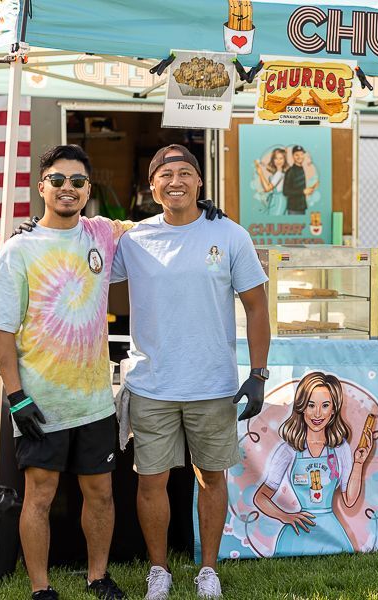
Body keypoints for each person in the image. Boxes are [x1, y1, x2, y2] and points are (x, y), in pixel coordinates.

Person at [110, 144, 270, 599]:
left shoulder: (230, 234)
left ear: (200, 182)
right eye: (165, 174)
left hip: (212, 383)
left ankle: (207, 571)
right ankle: (158, 571)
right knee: (151, 480)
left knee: (212, 476)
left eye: (185, 172)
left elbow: (257, 307)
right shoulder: (134, 239)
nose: (175, 180)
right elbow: (89, 263)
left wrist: (258, 374)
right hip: (151, 384)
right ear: (152, 185)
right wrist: (37, 234)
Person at [0, 145, 127, 600]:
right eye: (58, 180)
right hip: (40, 400)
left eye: (78, 182)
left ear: (87, 190)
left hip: (95, 398)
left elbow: (158, 230)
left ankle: (97, 576)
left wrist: (198, 212)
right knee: (39, 495)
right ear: (42, 186)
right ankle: (41, 588)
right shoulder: (17, 250)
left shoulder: (101, 233)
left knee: (100, 492)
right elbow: (1, 327)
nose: (68, 189)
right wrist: (16, 396)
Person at [253, 371, 373, 556]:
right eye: (311, 405)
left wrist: (359, 462)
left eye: (325, 405)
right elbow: (260, 497)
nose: (317, 413)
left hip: (331, 531)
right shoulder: (289, 449)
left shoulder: (340, 448)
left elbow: (349, 500)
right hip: (297, 535)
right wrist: (285, 516)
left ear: (333, 409)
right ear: (302, 408)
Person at [281, 145, 318, 215]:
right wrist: (303, 191)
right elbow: (285, 192)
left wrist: (311, 188)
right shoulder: (290, 171)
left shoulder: (303, 169)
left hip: (302, 207)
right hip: (293, 209)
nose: (299, 157)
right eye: (296, 155)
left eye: (301, 154)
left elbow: (300, 187)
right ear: (293, 156)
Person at [254, 147, 288, 215]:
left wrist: (261, 174)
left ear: (284, 160)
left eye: (281, 158)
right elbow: (270, 169)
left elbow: (267, 188)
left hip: (278, 200)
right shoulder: (278, 172)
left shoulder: (279, 174)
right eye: (276, 158)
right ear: (273, 160)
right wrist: (262, 165)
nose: (278, 161)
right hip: (275, 199)